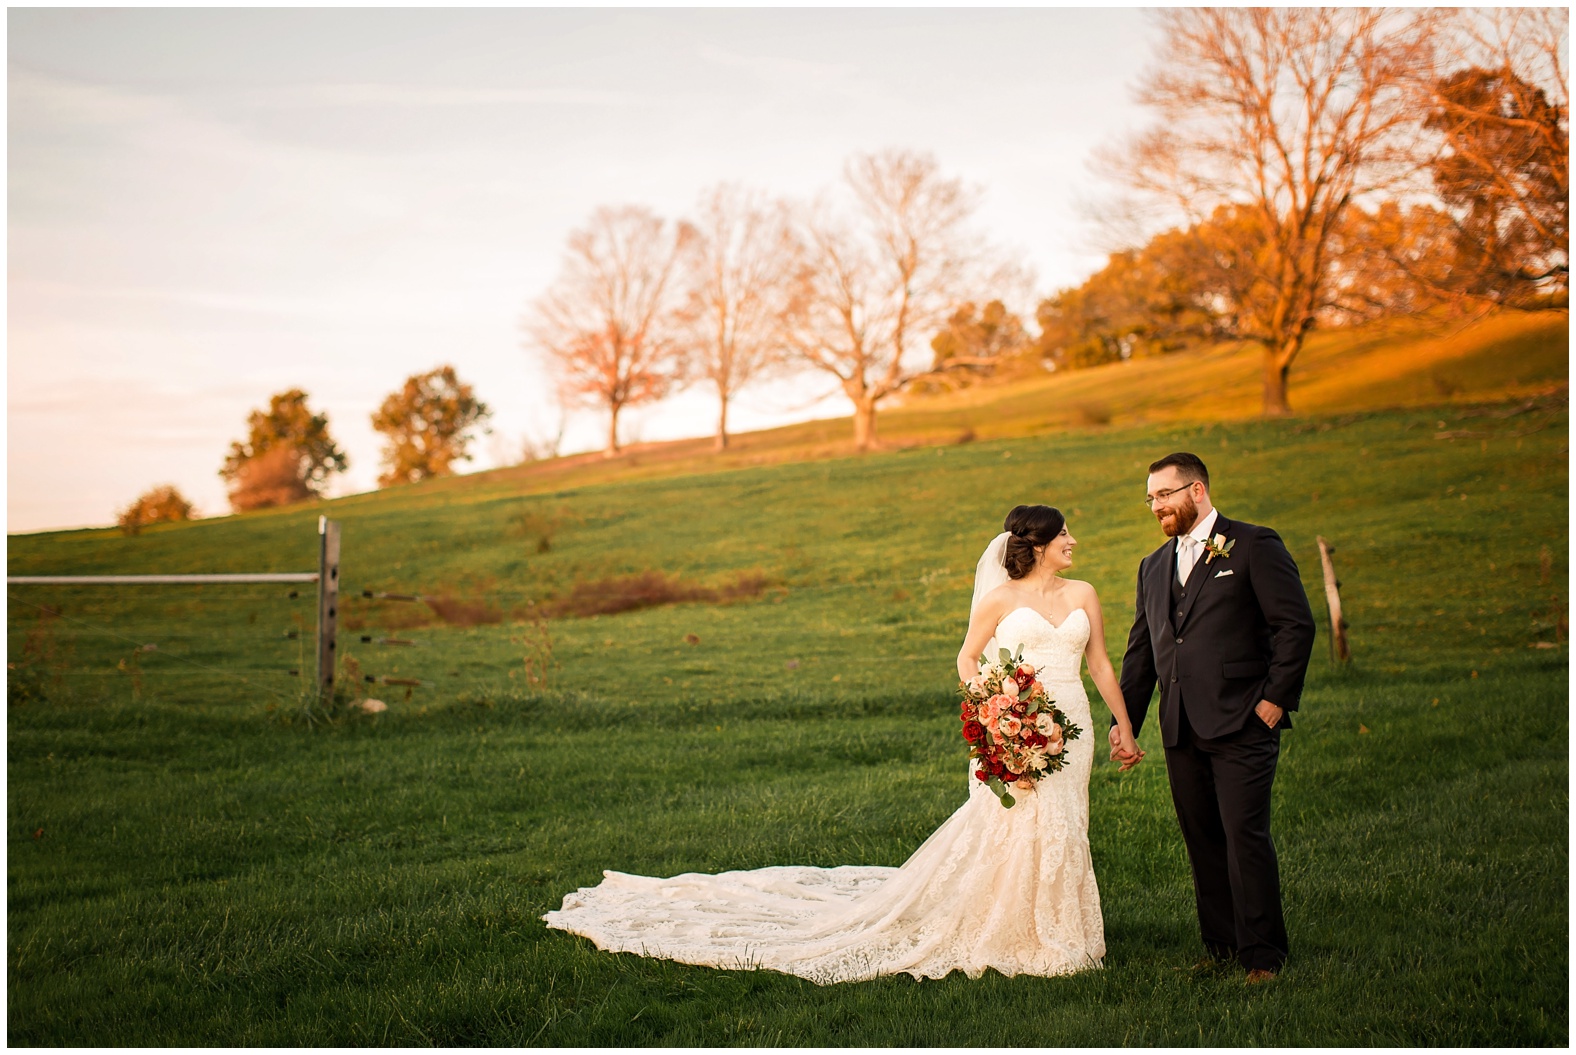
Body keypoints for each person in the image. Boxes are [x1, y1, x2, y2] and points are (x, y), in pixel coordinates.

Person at [541, 504, 1140, 984]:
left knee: (1065, 820)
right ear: (1037, 544)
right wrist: (995, 713)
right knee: (1017, 823)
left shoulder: (1083, 593)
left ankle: (1063, 931)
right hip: (1014, 721)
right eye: (1066, 535)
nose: (1074, 542)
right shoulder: (999, 600)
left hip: (1075, 726)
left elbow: (1102, 667)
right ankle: (1012, 927)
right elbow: (965, 657)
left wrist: (1125, 728)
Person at [1112, 452, 1315, 984]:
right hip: (1180, 725)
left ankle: (1263, 955)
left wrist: (1275, 700)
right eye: (1150, 498)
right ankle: (1222, 946)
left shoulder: (1253, 544)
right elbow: (1143, 655)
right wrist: (1126, 724)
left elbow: (1295, 625)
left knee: (1244, 835)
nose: (1155, 505)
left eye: (1164, 494)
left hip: (1245, 721)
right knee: (1201, 837)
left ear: (1196, 491)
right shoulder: (1153, 567)